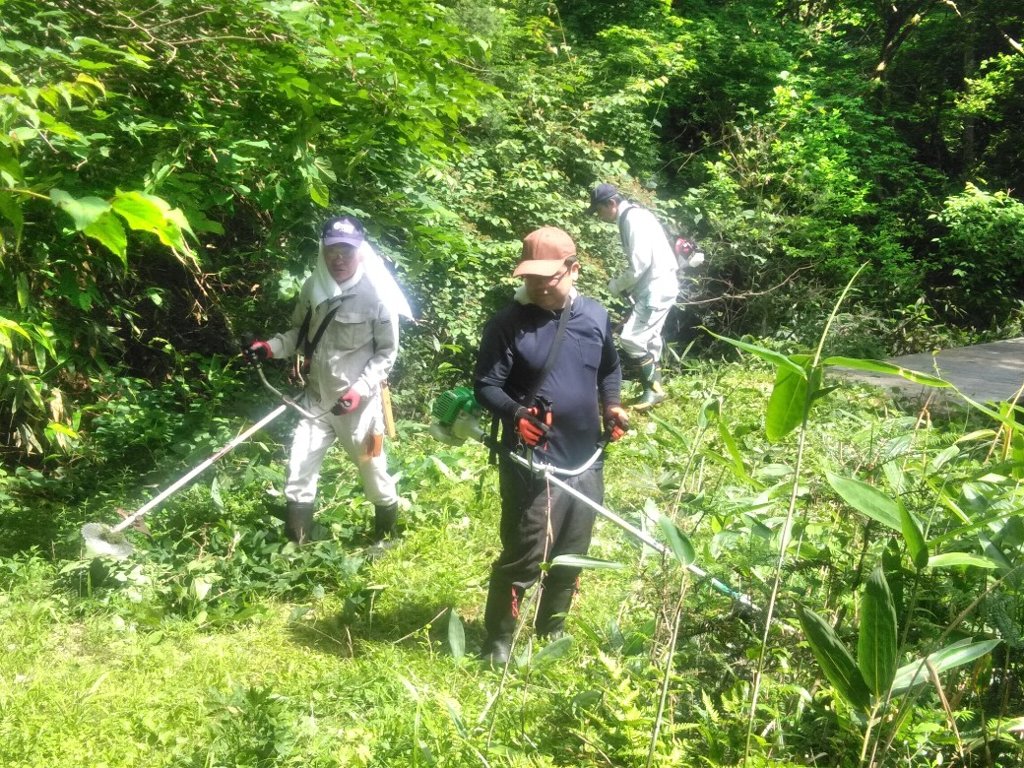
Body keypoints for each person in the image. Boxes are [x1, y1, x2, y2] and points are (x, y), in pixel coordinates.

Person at [473, 226, 629, 666]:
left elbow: (609, 369)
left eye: (549, 277)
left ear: (573, 270)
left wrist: (611, 407)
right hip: (533, 462)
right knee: (526, 553)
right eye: (531, 277)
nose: (539, 285)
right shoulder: (508, 324)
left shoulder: (595, 315)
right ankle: (499, 642)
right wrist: (516, 416)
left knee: (572, 551)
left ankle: (551, 630)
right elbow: (486, 385)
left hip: (587, 458)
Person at [243, 215, 402, 546]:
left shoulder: (378, 295)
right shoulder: (313, 288)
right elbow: (298, 337)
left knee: (373, 472)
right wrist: (268, 349)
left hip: (358, 407)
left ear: (361, 251)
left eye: (347, 250)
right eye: (332, 250)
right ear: (323, 251)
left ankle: (387, 536)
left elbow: (386, 354)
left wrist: (359, 391)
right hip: (316, 400)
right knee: (298, 467)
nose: (339, 258)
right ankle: (296, 545)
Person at [587, 183, 679, 409]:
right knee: (649, 338)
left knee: (631, 338)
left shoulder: (632, 219)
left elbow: (640, 264)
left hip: (656, 289)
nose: (599, 215)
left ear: (611, 203)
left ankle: (653, 391)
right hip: (660, 286)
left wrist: (617, 285)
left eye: (599, 210)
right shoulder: (636, 215)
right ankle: (654, 390)